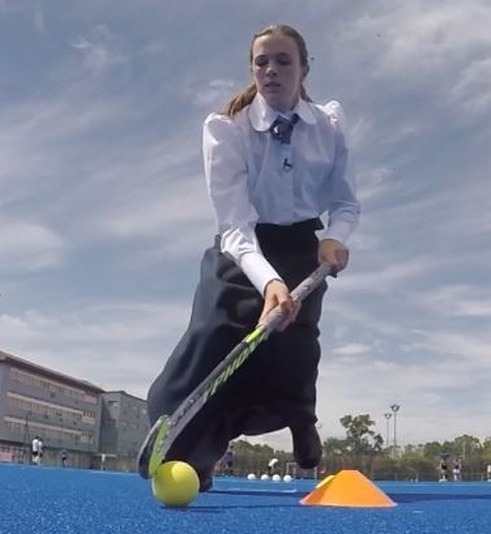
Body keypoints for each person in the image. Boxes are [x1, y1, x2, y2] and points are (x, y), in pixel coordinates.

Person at [145, 24, 360, 494]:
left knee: (293, 347)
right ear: (252, 70)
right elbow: (235, 225)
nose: (271, 70)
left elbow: (345, 203)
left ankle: (301, 420)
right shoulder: (225, 129)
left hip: (305, 248)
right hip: (243, 251)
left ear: (304, 68)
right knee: (211, 338)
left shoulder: (329, 125)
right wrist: (268, 282)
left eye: (283, 60)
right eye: (261, 62)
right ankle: (189, 456)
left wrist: (335, 237)